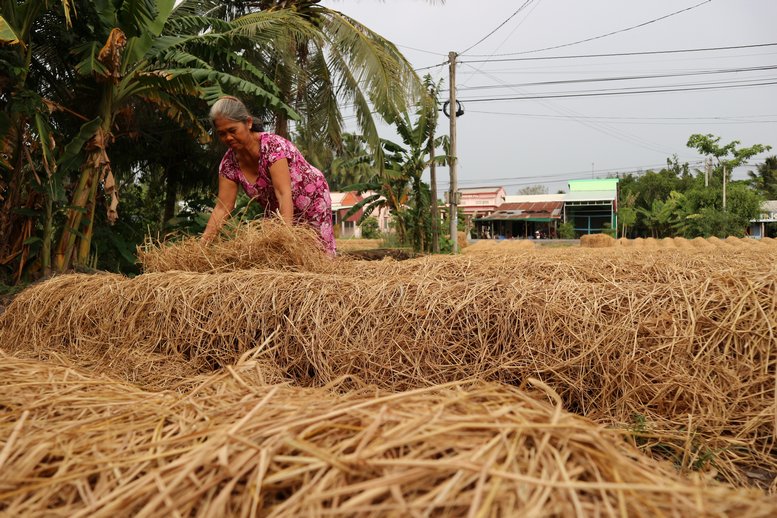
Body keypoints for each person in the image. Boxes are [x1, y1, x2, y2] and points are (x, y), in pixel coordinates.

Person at [202, 96, 336, 256]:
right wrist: (202, 246)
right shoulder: (228, 165)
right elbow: (222, 207)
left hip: (312, 199)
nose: (228, 138)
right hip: (277, 208)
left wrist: (285, 237)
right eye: (222, 134)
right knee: (276, 258)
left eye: (232, 130)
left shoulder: (273, 147)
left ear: (248, 123)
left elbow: (283, 193)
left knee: (315, 254)